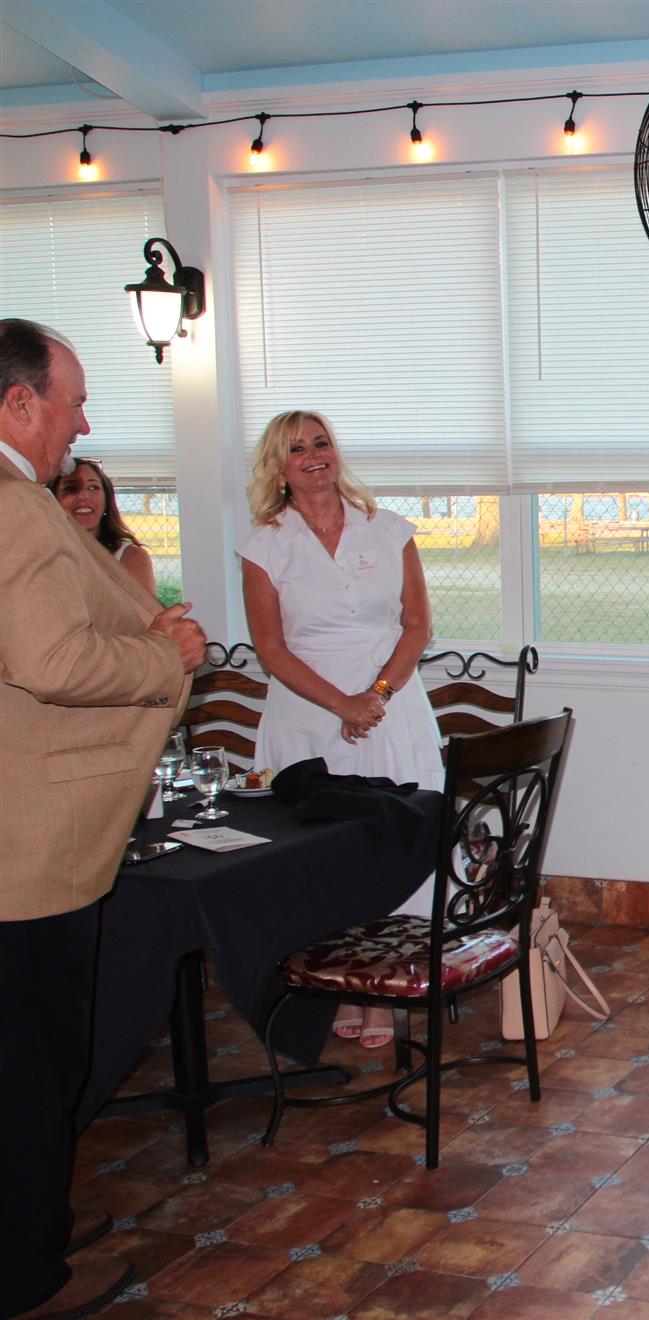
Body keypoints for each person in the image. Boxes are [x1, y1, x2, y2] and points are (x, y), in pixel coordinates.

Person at [0, 319, 205, 1320]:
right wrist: (165, 656)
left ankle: (28, 1225)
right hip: (29, 848)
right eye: (73, 402)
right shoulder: (14, 508)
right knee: (34, 1071)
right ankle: (25, 1274)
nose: (83, 424)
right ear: (17, 402)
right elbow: (50, 661)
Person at [238, 410, 439, 1047]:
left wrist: (374, 697)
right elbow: (271, 649)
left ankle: (390, 985)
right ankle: (335, 983)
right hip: (306, 717)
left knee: (395, 842)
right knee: (321, 855)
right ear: (279, 467)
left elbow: (417, 626)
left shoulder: (389, 529)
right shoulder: (264, 546)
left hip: (390, 707)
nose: (313, 456)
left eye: (321, 443)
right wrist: (341, 705)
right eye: (297, 448)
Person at [49, 458, 157, 600]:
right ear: (53, 500)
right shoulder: (41, 554)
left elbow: (145, 612)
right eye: (71, 488)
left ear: (106, 500)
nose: (83, 496)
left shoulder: (130, 557)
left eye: (93, 488)